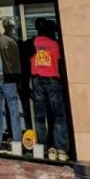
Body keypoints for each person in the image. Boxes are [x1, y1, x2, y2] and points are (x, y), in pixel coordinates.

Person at [29, 18, 70, 160]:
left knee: (40, 117)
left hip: (37, 80)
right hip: (53, 80)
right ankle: (61, 149)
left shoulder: (32, 43)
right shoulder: (54, 44)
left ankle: (43, 148)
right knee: (59, 115)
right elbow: (59, 63)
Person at [0, 18, 24, 151]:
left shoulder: (8, 41)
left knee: (13, 109)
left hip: (7, 80)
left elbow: (16, 62)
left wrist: (17, 78)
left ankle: (17, 142)